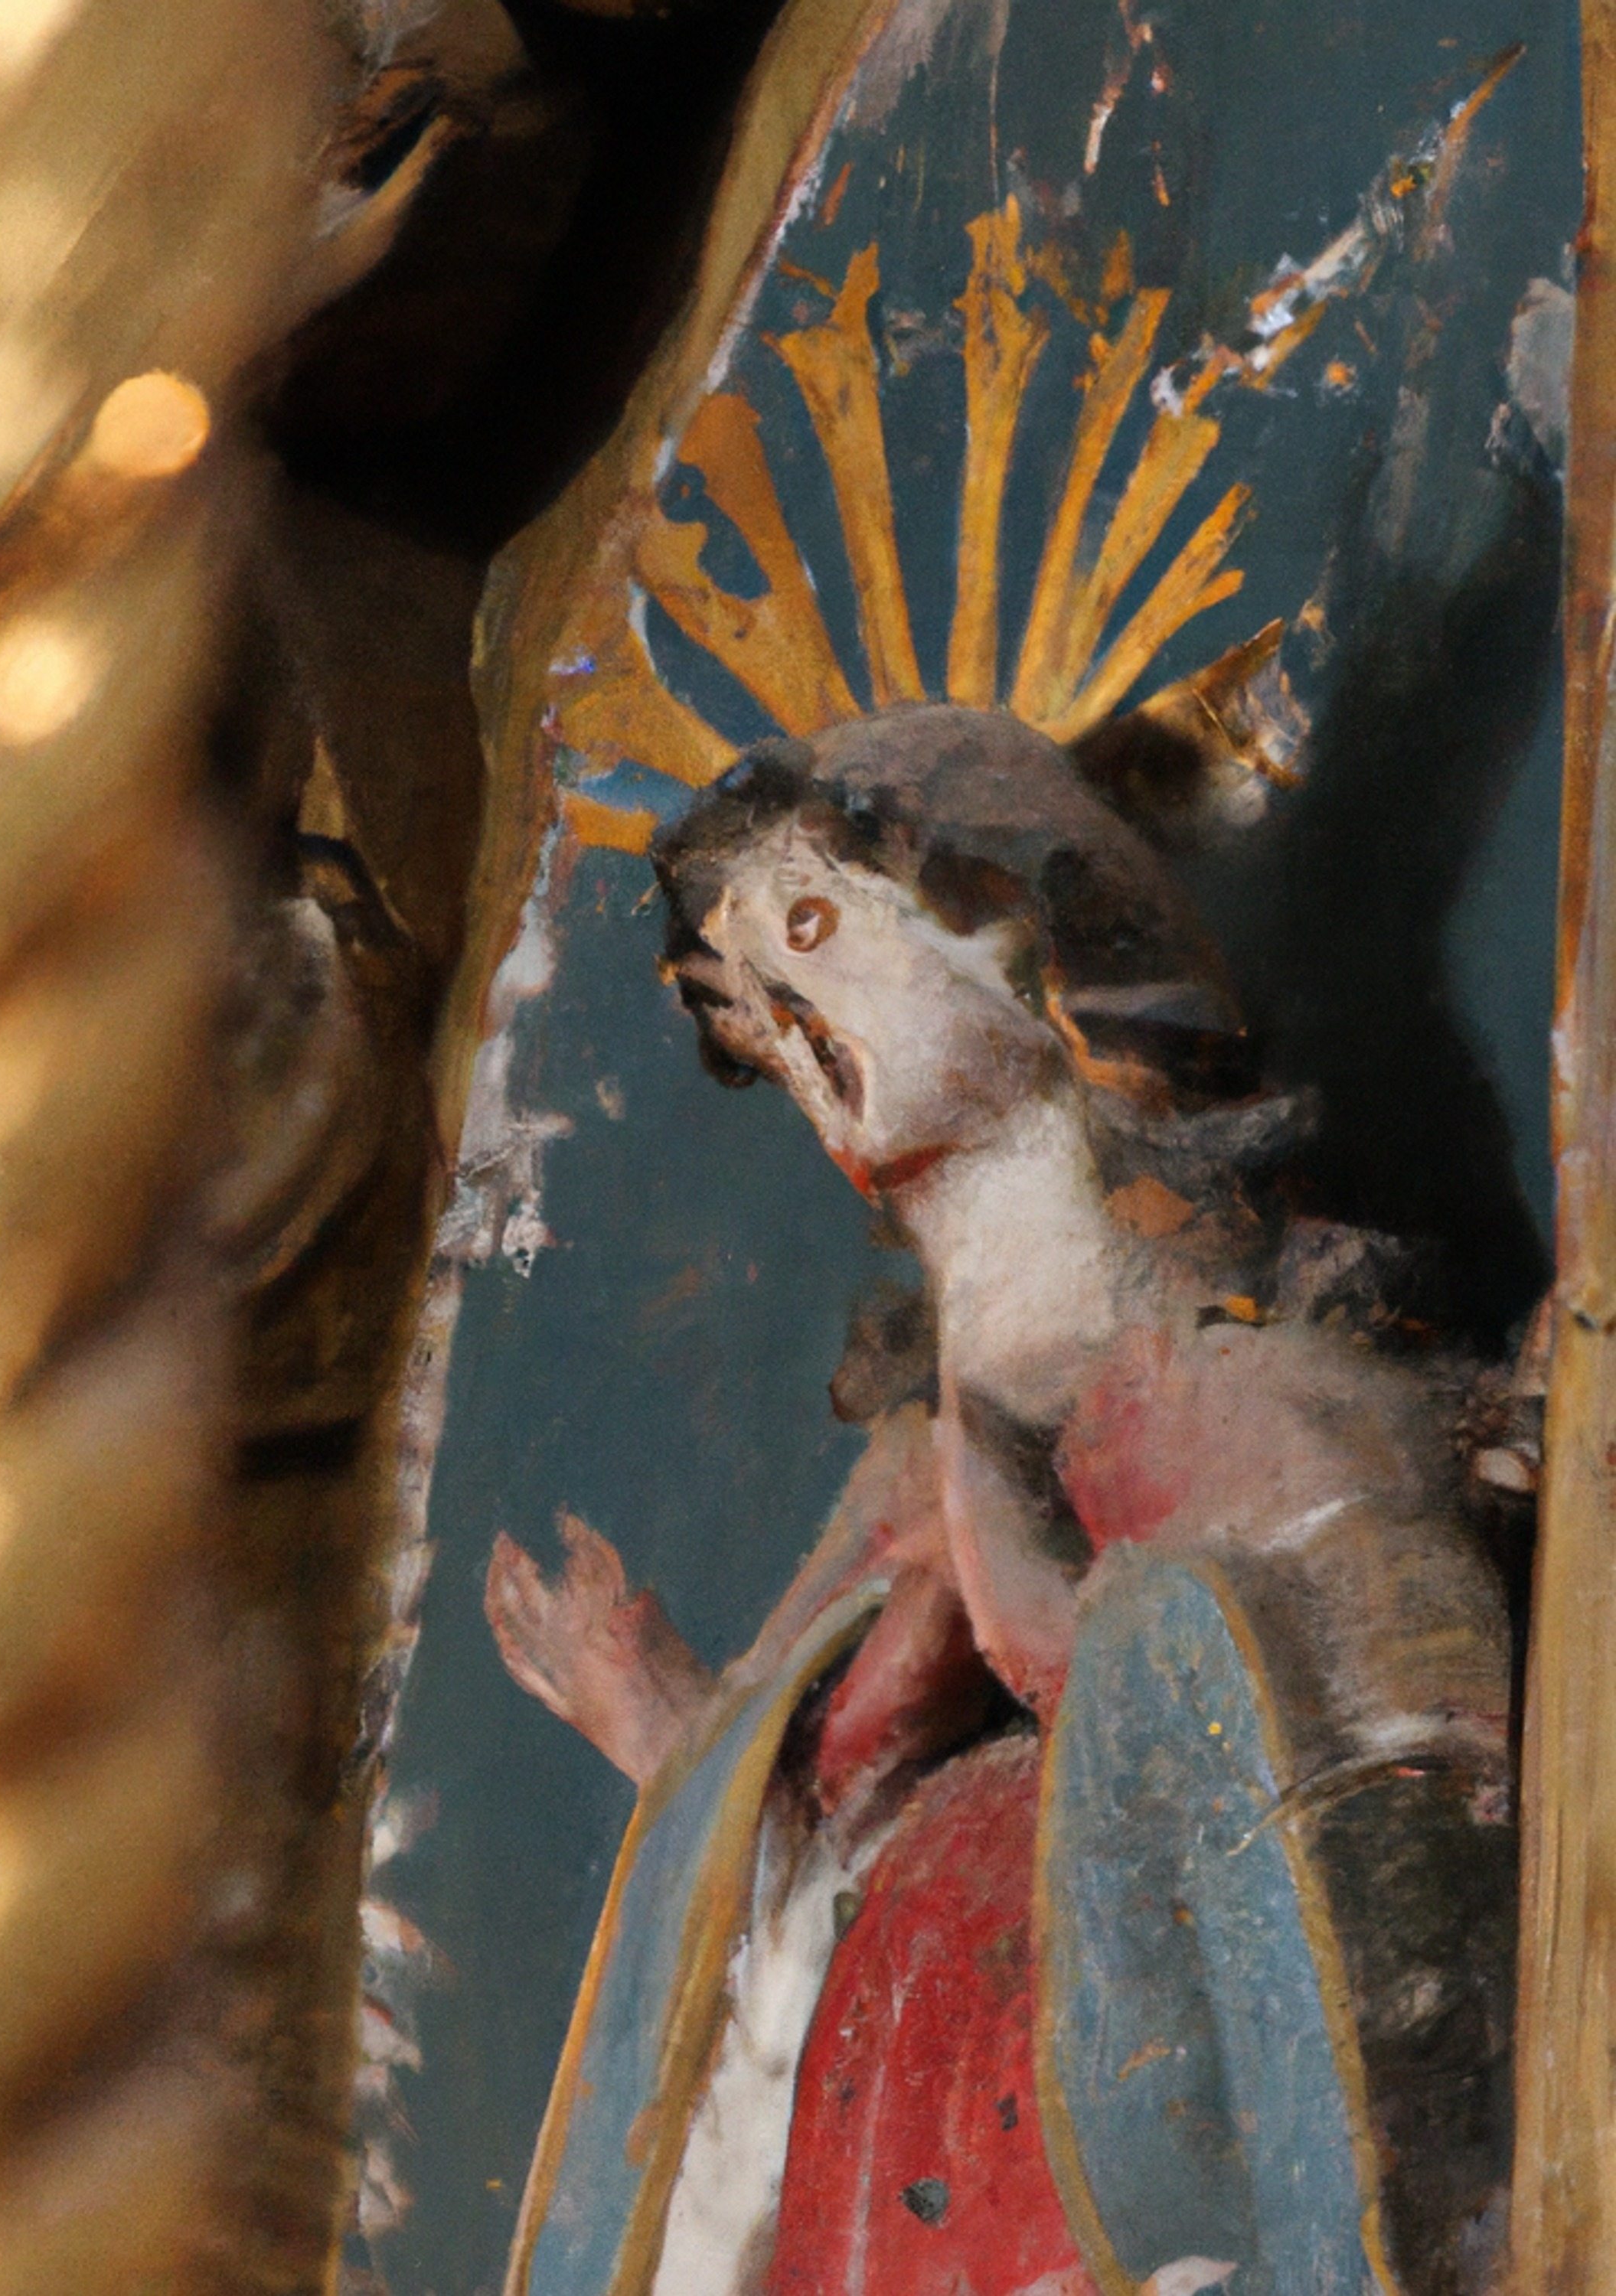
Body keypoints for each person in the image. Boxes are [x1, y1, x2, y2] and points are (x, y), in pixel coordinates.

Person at [488, 706, 1517, 2296]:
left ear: (1019, 930)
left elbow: (1355, 1747)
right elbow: (812, 1822)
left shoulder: (1231, 1370)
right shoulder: (918, 1471)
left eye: (813, 934)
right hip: (922, 2101)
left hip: (1136, 2090)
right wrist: (681, 1731)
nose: (795, 1027)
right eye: (757, 1007)